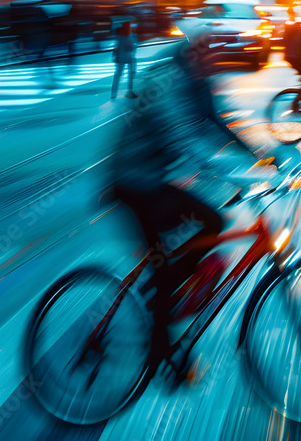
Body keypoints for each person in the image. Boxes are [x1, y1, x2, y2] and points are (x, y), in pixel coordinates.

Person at [111, 34, 251, 361]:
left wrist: (259, 154)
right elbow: (183, 142)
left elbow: (218, 122)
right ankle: (159, 350)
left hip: (154, 179)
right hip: (132, 182)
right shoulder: (167, 83)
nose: (215, 63)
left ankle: (166, 289)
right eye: (210, 56)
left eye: (218, 57)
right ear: (193, 55)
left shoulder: (198, 82)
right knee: (161, 264)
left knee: (213, 220)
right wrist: (236, 171)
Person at [110, 21, 139, 99]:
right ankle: (129, 92)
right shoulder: (128, 36)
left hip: (121, 58)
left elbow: (117, 46)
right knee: (130, 75)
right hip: (127, 57)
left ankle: (113, 94)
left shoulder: (120, 36)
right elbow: (132, 46)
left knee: (118, 75)